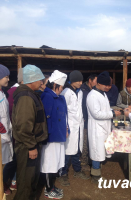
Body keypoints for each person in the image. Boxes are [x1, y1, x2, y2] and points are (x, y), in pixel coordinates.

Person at [12, 64, 48, 200]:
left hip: (30, 144)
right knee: (26, 182)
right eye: (39, 80)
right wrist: (31, 146)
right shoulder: (26, 97)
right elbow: (23, 125)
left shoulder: (30, 95)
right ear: (31, 80)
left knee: (31, 178)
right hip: (27, 146)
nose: (41, 83)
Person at [86, 71, 121, 183]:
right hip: (97, 128)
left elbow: (104, 110)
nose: (108, 87)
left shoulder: (103, 94)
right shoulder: (92, 96)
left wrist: (112, 111)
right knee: (97, 151)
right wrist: (113, 114)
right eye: (106, 85)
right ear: (99, 83)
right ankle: (95, 176)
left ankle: (97, 171)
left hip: (104, 126)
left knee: (101, 150)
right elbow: (96, 114)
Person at [59, 70, 90, 187]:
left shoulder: (80, 92)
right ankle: (63, 173)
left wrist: (82, 118)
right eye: (78, 81)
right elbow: (63, 111)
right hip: (70, 126)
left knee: (77, 149)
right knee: (67, 150)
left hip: (78, 125)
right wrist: (65, 126)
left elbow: (79, 108)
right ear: (72, 81)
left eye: (81, 80)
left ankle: (77, 170)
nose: (81, 83)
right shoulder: (66, 92)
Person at [40, 70, 68, 199]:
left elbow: (64, 116)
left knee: (55, 163)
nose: (62, 89)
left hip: (59, 135)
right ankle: (47, 188)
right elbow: (46, 118)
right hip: (51, 137)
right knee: (49, 163)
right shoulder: (47, 97)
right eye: (61, 87)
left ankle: (52, 185)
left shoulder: (59, 97)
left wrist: (67, 128)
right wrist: (47, 135)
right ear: (55, 85)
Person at [3, 68, 23, 194]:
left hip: (12, 131)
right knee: (11, 159)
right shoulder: (13, 92)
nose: (8, 79)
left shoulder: (8, 92)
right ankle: (5, 183)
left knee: (14, 158)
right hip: (10, 132)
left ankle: (13, 181)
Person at [0, 64, 13, 194]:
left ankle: (3, 184)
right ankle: (2, 186)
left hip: (5, 133)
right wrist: (3, 130)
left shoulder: (2, 93)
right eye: (6, 77)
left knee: (5, 162)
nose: (8, 80)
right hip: (1, 134)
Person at [80, 74, 97, 170]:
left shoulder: (91, 90)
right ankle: (83, 162)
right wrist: (84, 117)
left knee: (90, 140)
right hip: (85, 120)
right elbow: (82, 105)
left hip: (90, 120)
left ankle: (88, 160)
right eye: (95, 80)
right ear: (90, 80)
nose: (96, 83)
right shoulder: (83, 90)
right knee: (85, 142)